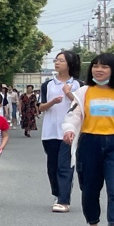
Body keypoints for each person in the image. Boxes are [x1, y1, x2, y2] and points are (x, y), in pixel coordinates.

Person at [63, 52, 114, 226]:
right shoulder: (83, 92)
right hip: (89, 143)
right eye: (95, 66)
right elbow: (73, 115)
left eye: (104, 66)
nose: (98, 70)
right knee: (90, 188)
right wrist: (69, 130)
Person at [40, 49, 82, 212]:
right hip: (50, 131)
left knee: (65, 165)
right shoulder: (48, 85)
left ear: (70, 64)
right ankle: (58, 194)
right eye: (56, 60)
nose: (57, 63)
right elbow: (40, 108)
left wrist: (68, 94)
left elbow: (82, 106)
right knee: (52, 166)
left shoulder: (79, 85)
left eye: (61, 60)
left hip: (70, 131)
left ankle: (64, 200)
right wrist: (52, 102)